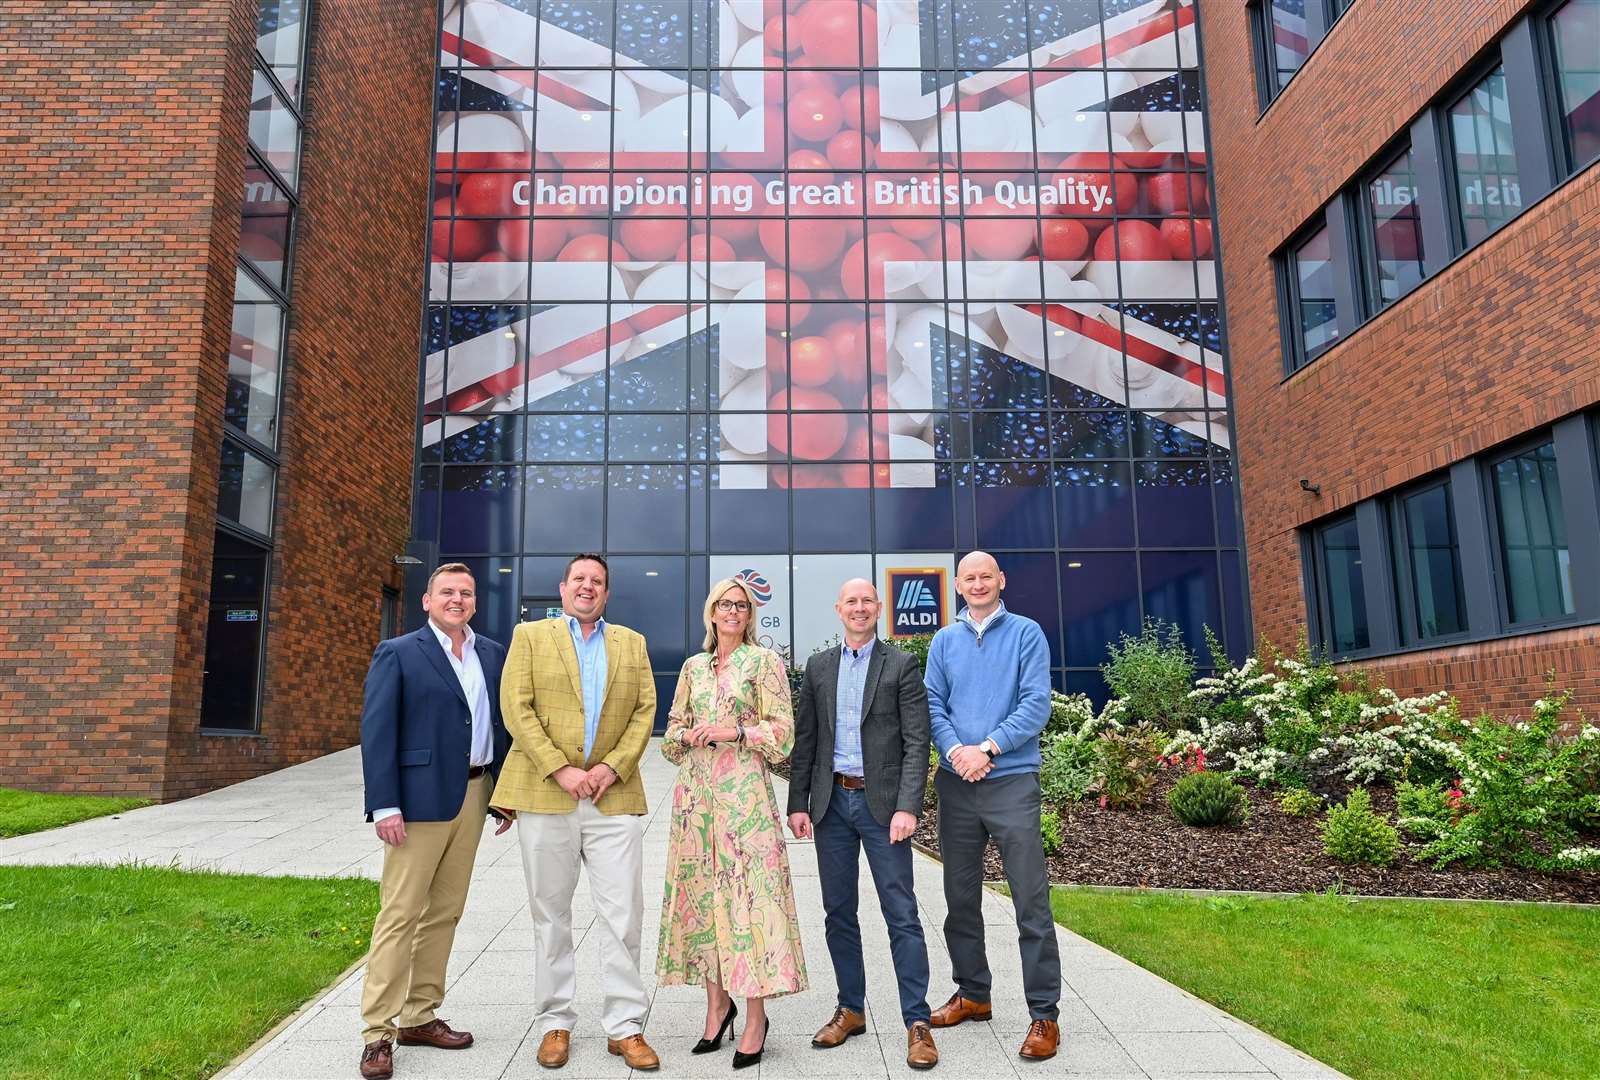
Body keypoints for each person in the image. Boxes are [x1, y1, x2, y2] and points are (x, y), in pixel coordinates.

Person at [489, 553, 660, 1071]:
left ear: (607, 594)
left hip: (613, 795)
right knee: (550, 914)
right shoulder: (530, 638)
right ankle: (555, 1022)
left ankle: (625, 1026)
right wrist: (561, 769)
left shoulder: (631, 643)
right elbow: (516, 708)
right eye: (579, 579)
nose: (588, 587)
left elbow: (645, 711)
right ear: (563, 589)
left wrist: (609, 767)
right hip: (546, 793)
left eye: (598, 582)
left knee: (623, 914)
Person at [358, 563, 512, 1080]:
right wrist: (384, 804)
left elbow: (501, 727)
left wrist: (503, 794)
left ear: (474, 602)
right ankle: (377, 1032)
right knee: (398, 916)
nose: (457, 599)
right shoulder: (399, 653)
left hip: (473, 795)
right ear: (426, 600)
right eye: (447, 591)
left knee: (445, 913)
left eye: (466, 593)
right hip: (416, 804)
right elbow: (377, 730)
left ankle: (419, 1017)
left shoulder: (491, 653)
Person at [788, 578, 939, 1070]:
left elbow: (918, 742)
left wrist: (908, 806)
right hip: (832, 805)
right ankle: (850, 1009)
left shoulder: (901, 664)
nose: (859, 608)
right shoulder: (819, 667)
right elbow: (806, 741)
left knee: (902, 914)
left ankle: (916, 1021)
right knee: (838, 914)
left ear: (879, 609)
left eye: (867, 601)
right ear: (838, 609)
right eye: (850, 601)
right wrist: (798, 803)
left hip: (883, 810)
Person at [657, 577, 807, 1071]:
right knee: (704, 903)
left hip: (745, 802)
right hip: (697, 802)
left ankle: (756, 1018)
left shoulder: (764, 663)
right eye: (725, 604)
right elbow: (671, 733)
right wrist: (688, 736)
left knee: (751, 905)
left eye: (742, 605)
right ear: (712, 611)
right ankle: (717, 1007)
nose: (733, 612)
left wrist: (734, 730)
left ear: (750, 614)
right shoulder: (693, 667)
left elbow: (784, 733)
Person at [923, 551, 1062, 1061]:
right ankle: (973, 994)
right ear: (957, 585)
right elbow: (932, 704)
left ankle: (1044, 1015)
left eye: (987, 576)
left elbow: (1035, 704)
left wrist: (987, 748)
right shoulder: (944, 640)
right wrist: (957, 751)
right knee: (960, 900)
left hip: (1011, 780)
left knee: (1030, 901)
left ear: (1001, 580)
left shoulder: (1026, 633)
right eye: (969, 577)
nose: (978, 583)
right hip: (957, 782)